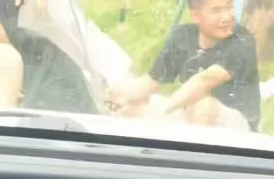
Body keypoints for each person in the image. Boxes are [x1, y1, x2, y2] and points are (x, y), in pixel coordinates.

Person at [107, 0, 260, 131]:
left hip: (236, 127)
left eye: (229, 7)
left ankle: (194, 156)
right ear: (196, 16)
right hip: (189, 111)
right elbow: (151, 82)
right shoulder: (183, 36)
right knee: (131, 107)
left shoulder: (242, 41)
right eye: (216, 11)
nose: (227, 16)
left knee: (203, 104)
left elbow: (204, 81)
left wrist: (162, 112)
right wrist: (117, 94)